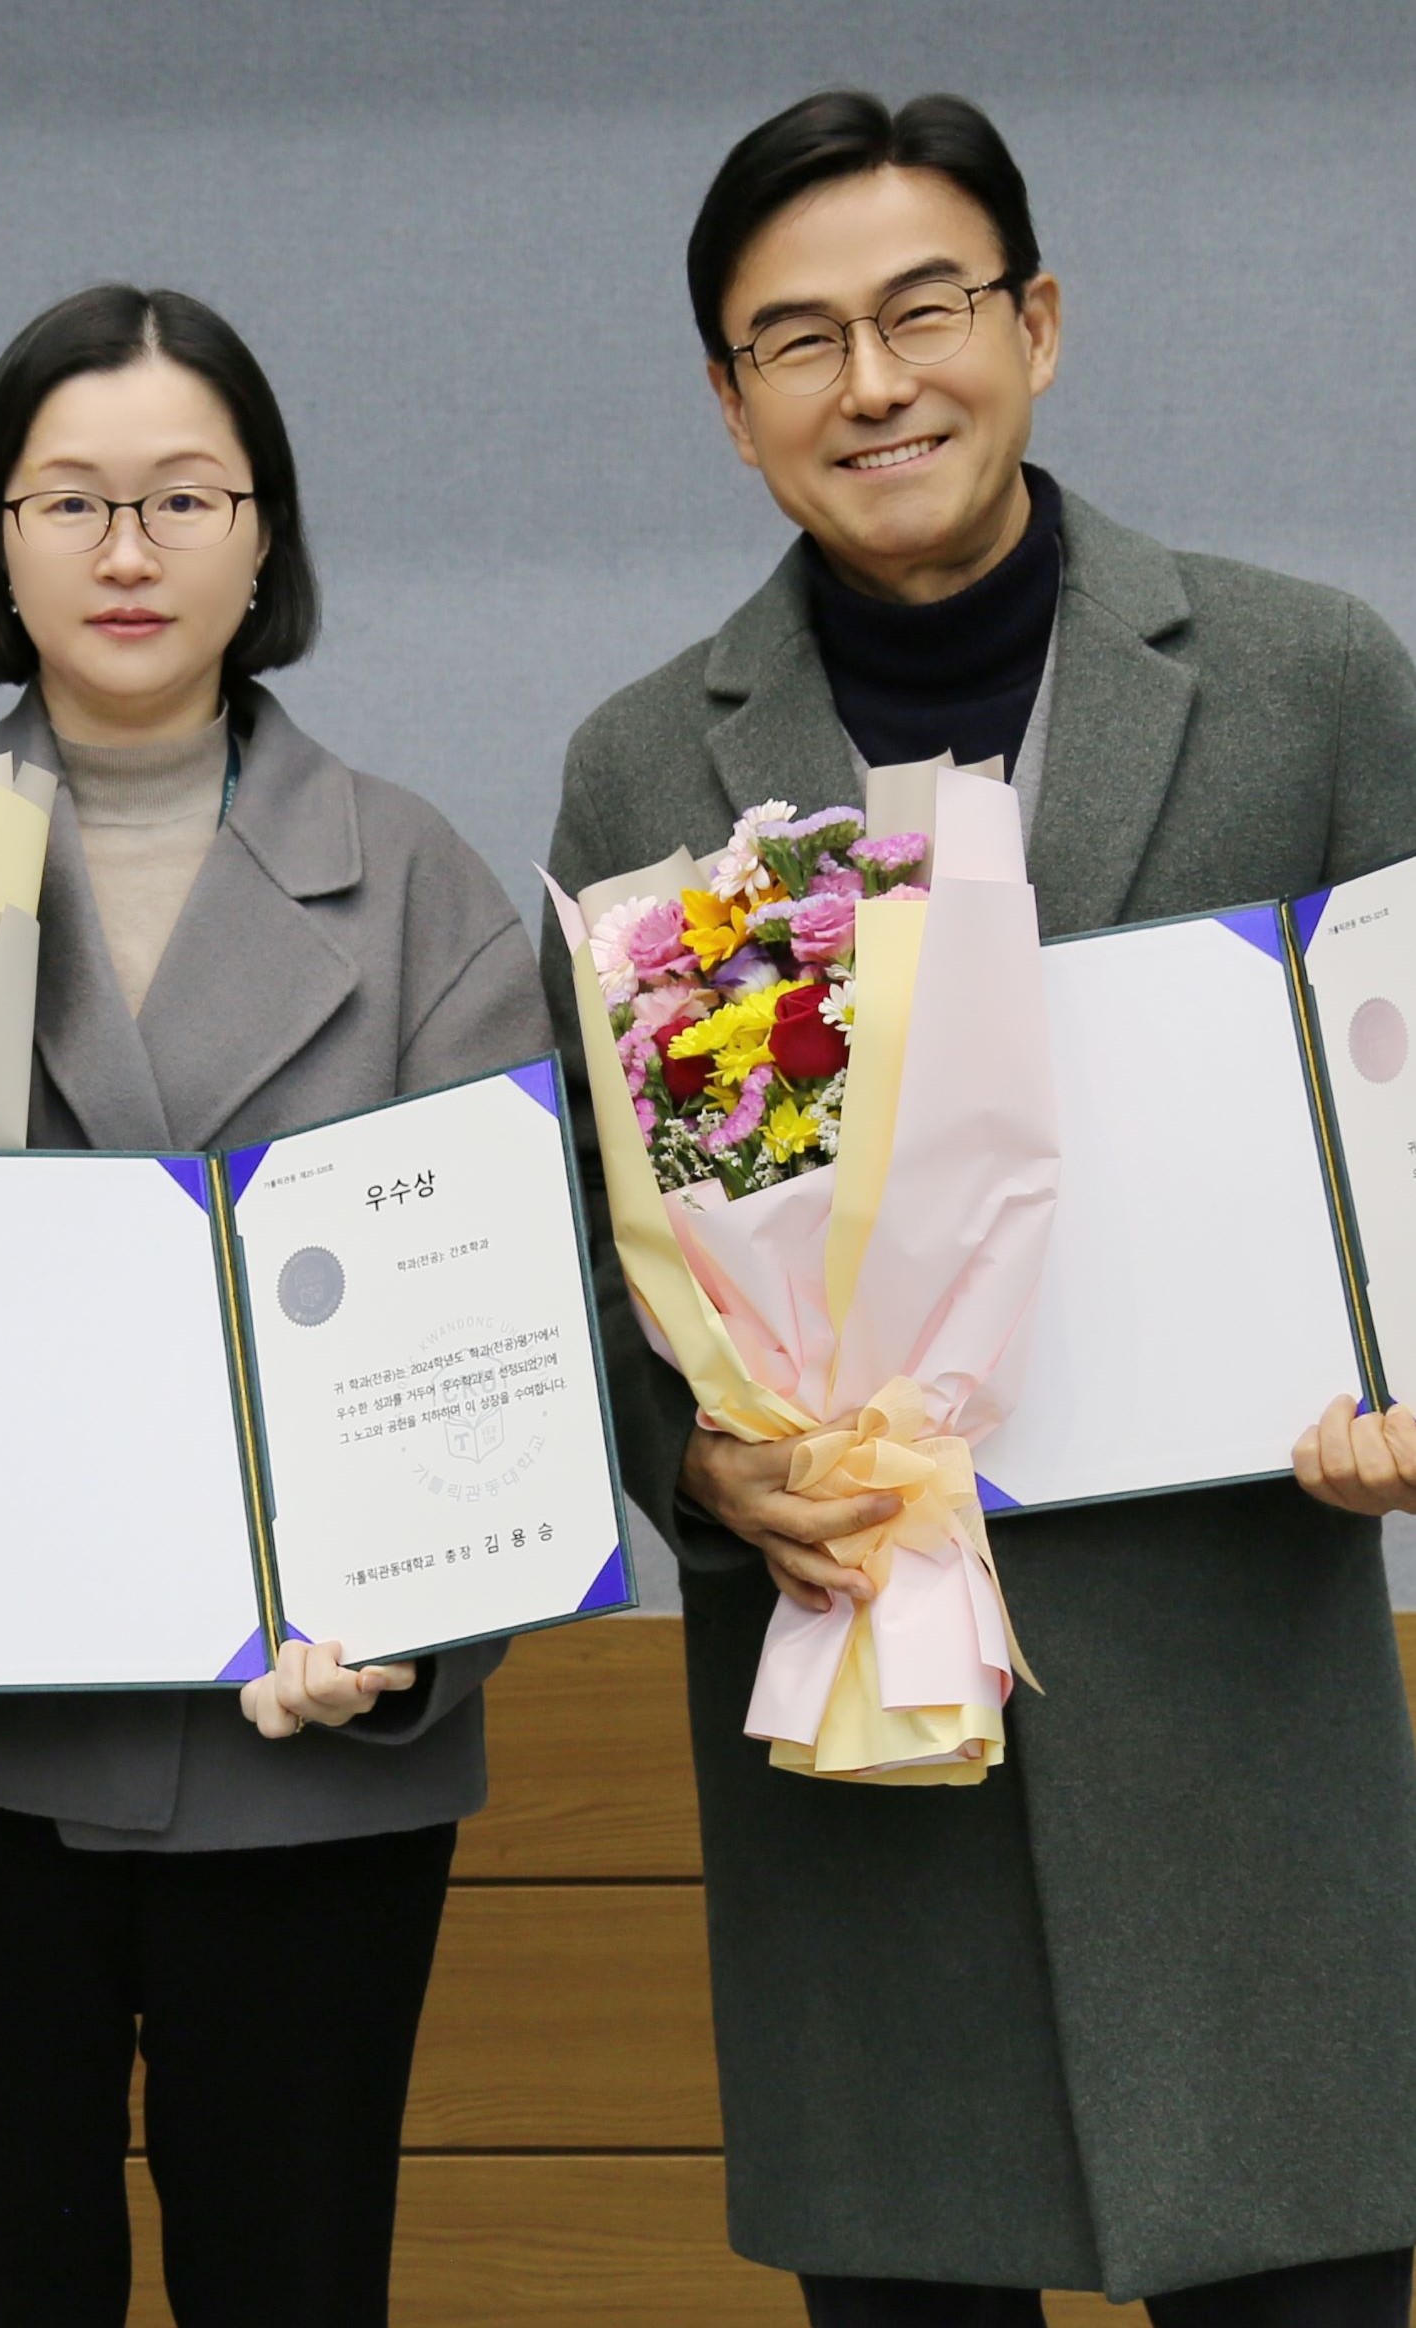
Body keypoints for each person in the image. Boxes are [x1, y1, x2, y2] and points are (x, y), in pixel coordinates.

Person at [543, 90, 1416, 2325]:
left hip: (1231, 1710)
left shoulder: (1308, 679)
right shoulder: (644, 765)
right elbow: (592, 1251)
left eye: (922, 308)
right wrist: (703, 1471)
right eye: (793, 340)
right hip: (859, 1746)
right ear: (728, 410)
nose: (872, 381)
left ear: (1032, 323)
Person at [0, 284, 555, 2328]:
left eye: (176, 497)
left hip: (306, 1744)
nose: (123, 551)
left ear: (261, 533)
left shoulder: (415, 884)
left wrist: (408, 1637)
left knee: (295, 2283)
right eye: (67, 500)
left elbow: (517, 1316)